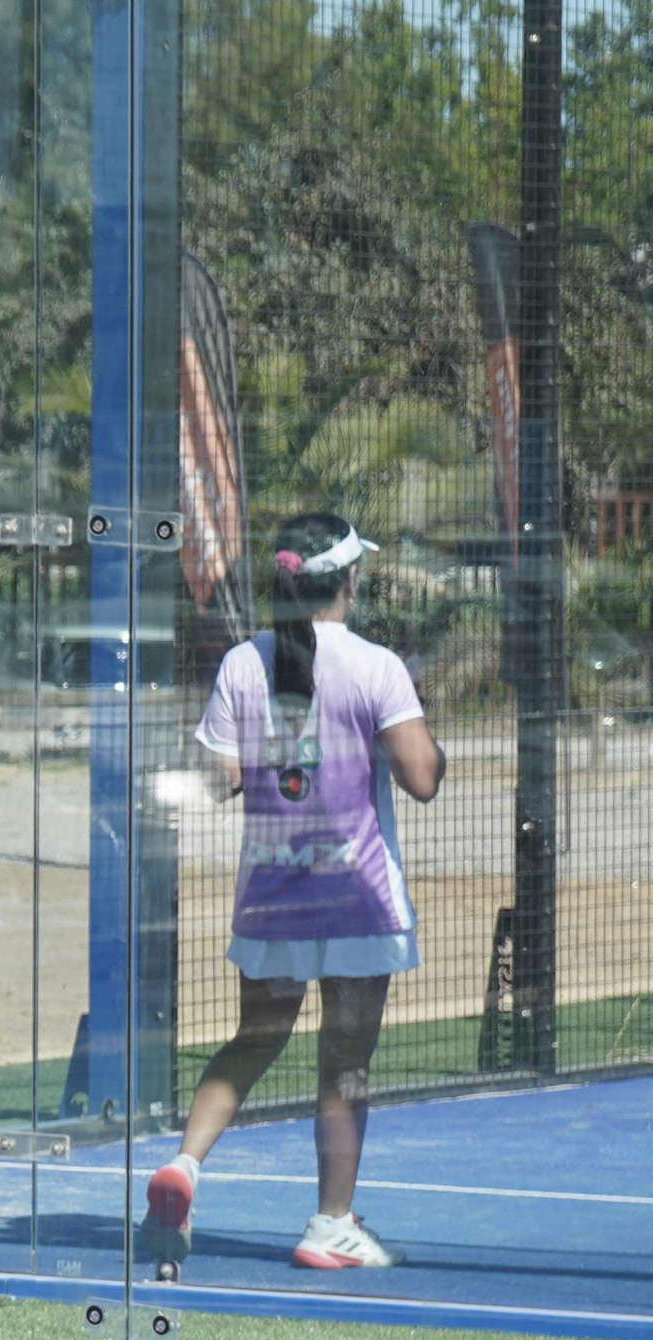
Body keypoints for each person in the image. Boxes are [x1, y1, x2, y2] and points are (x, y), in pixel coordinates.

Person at [146, 512, 444, 1272]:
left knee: (254, 1038)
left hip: (273, 897)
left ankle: (184, 1165)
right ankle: (330, 1225)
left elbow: (220, 778)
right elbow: (423, 779)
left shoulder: (242, 663)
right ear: (348, 580)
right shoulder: (377, 666)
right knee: (345, 1063)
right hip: (357, 902)